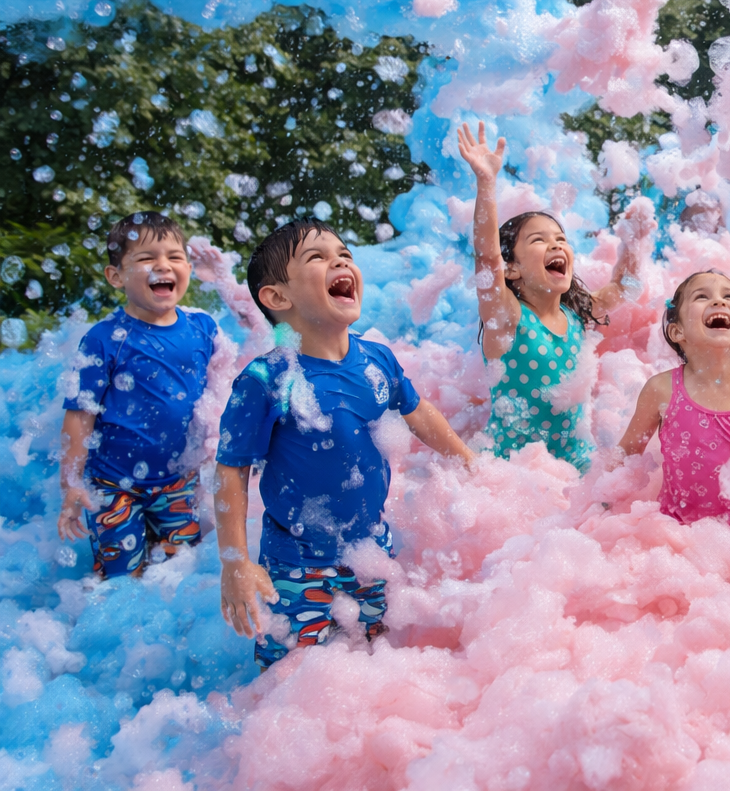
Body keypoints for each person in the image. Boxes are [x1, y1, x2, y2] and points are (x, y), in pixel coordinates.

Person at [215, 220, 474, 667]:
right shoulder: (266, 379)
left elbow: (419, 413)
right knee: (296, 681)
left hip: (371, 551)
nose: (340, 260)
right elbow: (230, 471)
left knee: (372, 664)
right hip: (296, 564)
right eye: (317, 257)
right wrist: (236, 563)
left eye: (344, 254)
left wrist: (470, 461)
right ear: (278, 297)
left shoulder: (377, 359)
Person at [457, 121, 651, 471]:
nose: (556, 243)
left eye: (560, 238)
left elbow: (626, 287)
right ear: (511, 269)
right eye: (539, 240)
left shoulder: (576, 313)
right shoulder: (507, 319)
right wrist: (486, 183)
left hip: (577, 463)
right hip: (514, 470)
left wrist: (632, 242)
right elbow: (487, 260)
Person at [58, 212, 217, 576]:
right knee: (119, 578)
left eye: (175, 257)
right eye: (146, 258)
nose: (163, 266)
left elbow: (222, 393)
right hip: (114, 484)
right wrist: (70, 483)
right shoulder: (104, 338)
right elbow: (80, 415)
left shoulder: (204, 328)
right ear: (115, 276)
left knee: (183, 573)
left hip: (178, 481)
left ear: (189, 269)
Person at [618, 270, 730, 562]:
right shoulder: (661, 390)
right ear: (677, 332)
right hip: (677, 536)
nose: (719, 302)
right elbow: (625, 460)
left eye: (729, 296)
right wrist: (597, 512)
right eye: (702, 297)